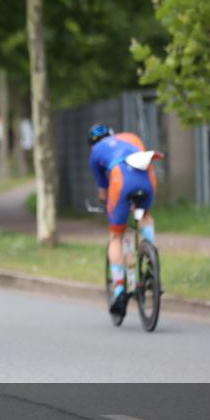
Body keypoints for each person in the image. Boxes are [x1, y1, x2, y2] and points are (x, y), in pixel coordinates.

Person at [87, 123, 158, 316]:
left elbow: (104, 190)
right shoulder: (130, 137)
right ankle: (151, 256)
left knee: (116, 236)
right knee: (144, 215)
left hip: (121, 180)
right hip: (146, 178)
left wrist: (105, 205)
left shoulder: (95, 153)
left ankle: (119, 289)